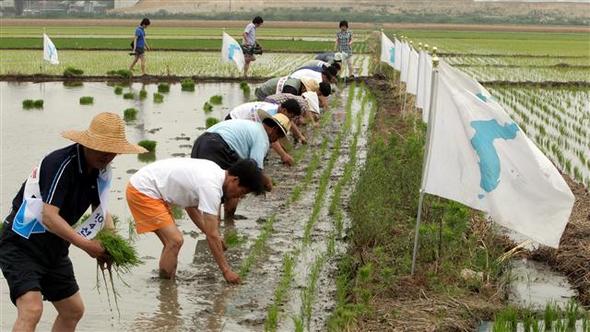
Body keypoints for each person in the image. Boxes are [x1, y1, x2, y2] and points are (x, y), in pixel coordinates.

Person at [0, 113, 146, 332]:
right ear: (88, 143)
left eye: (112, 150)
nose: (107, 156)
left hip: (55, 247)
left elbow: (101, 211)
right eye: (102, 148)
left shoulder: (101, 171)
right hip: (23, 244)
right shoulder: (61, 163)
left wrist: (109, 245)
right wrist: (87, 246)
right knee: (31, 309)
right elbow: (49, 216)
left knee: (73, 311)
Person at [126, 158, 266, 282]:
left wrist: (212, 234)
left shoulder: (214, 172)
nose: (238, 197)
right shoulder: (211, 187)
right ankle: (165, 287)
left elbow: (190, 207)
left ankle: (167, 286)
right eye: (241, 192)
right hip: (143, 190)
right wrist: (226, 271)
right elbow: (212, 235)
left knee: (171, 243)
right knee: (175, 241)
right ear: (235, 180)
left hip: (148, 187)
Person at [191, 113, 290, 220]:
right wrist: (267, 183)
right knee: (232, 184)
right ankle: (220, 226)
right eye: (278, 137)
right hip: (218, 146)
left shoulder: (253, 127)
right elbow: (255, 169)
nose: (275, 141)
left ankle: (222, 225)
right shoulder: (263, 137)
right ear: (273, 130)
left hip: (200, 143)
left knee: (210, 186)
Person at [224, 99, 303, 163]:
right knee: (244, 149)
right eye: (291, 116)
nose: (290, 119)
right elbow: (272, 138)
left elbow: (289, 122)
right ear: (285, 110)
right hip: (234, 118)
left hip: (242, 120)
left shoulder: (278, 110)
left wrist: (300, 136)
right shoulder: (270, 114)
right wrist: (284, 155)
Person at [255, 76, 331, 108]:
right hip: (264, 92)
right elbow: (286, 107)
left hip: (271, 92)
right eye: (306, 91)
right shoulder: (292, 89)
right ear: (304, 87)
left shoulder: (298, 87)